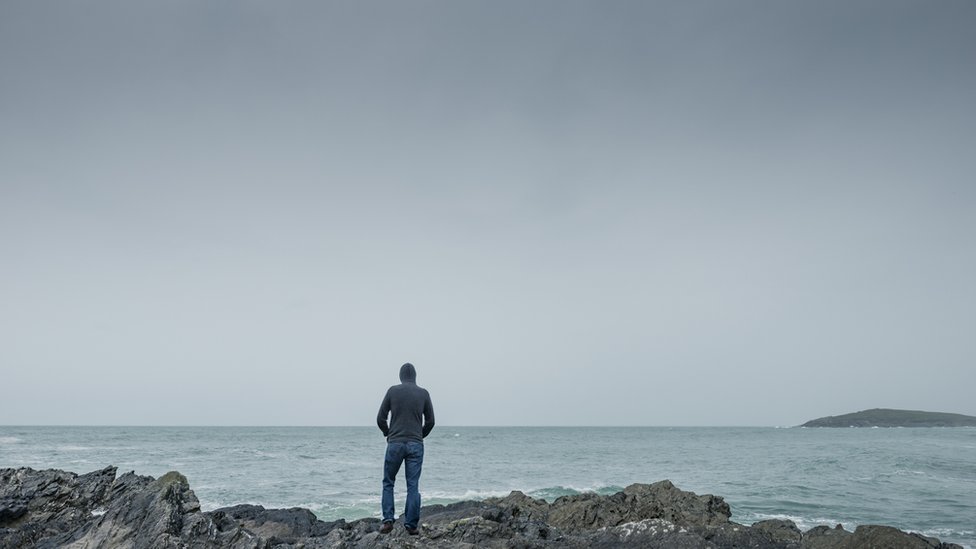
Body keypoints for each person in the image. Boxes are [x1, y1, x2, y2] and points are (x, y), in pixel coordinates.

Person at [376, 362, 435, 535]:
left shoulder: (392, 391)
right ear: (415, 376)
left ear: (401, 376)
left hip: (395, 443)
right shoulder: (423, 393)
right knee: (413, 485)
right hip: (416, 444)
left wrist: (388, 433)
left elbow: (380, 418)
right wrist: (419, 436)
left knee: (388, 482)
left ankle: (387, 521)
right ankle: (411, 525)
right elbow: (431, 422)